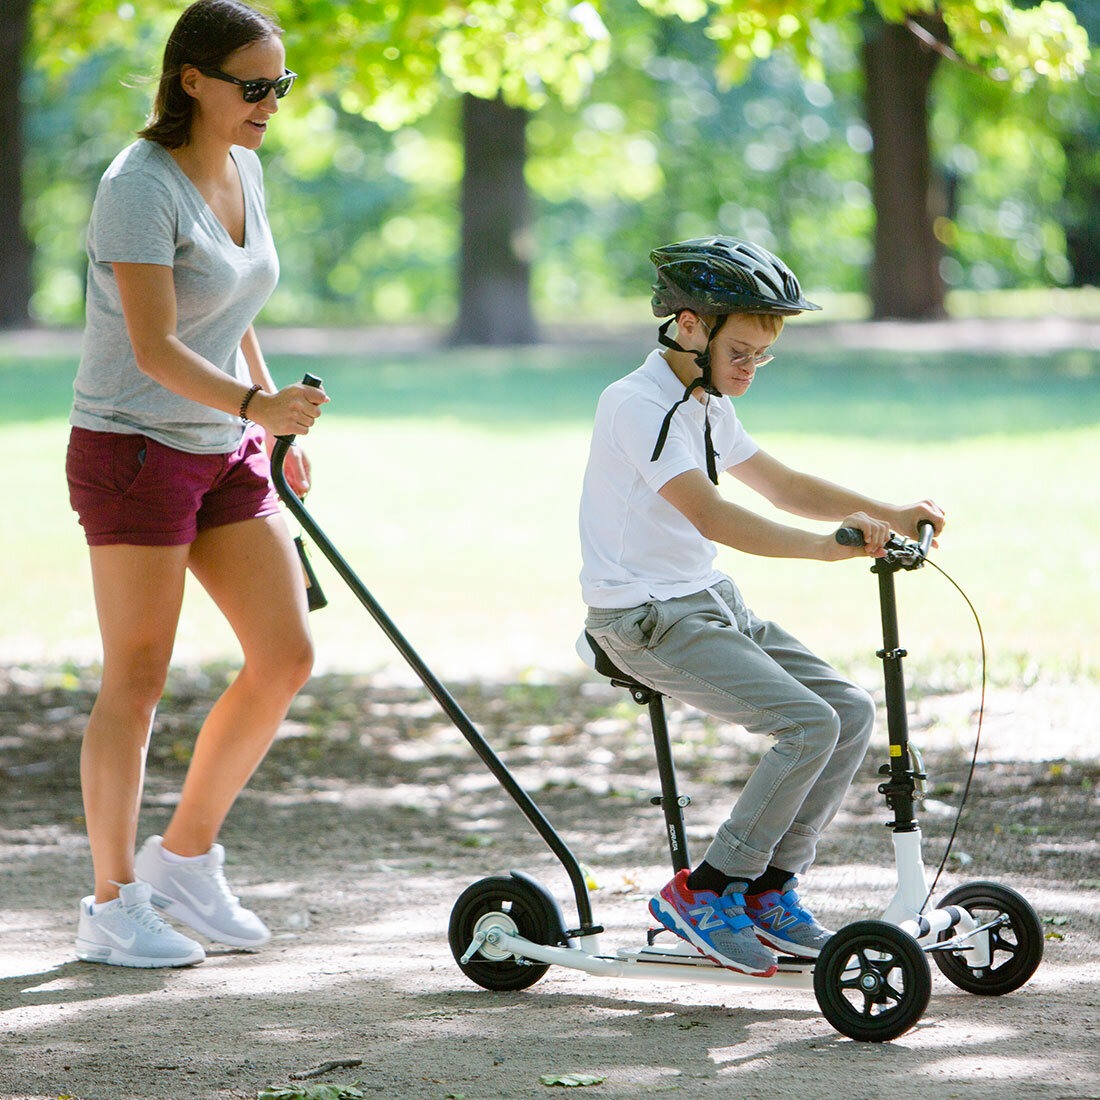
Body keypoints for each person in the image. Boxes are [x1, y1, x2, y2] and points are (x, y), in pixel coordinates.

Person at [578, 236, 945, 976]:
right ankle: (708, 889)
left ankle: (769, 888)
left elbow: (781, 485)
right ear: (688, 327)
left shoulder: (704, 401)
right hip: (643, 619)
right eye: (739, 352)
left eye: (761, 356)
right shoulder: (636, 405)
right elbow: (713, 515)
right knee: (806, 724)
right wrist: (825, 549)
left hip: (709, 602)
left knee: (848, 711)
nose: (749, 369)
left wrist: (892, 512)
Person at [66, 0, 328, 968]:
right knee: (136, 678)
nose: (271, 104)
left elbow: (236, 302)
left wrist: (267, 421)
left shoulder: (244, 166)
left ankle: (181, 861)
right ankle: (110, 902)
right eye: (253, 86)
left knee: (284, 654)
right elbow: (155, 345)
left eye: (280, 86)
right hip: (134, 450)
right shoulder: (137, 187)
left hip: (223, 445)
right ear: (192, 80)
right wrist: (257, 405)